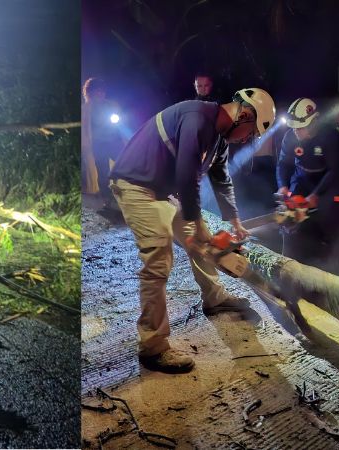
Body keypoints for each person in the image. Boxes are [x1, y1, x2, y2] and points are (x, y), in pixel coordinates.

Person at [109, 88, 276, 374]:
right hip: (136, 185)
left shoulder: (219, 140)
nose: (246, 141)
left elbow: (221, 178)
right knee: (158, 259)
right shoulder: (197, 118)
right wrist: (196, 225)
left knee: (205, 240)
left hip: (162, 190)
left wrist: (234, 220)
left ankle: (215, 298)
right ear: (245, 116)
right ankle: (153, 347)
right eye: (250, 134)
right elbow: (186, 175)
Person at [276, 97, 339, 274]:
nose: (296, 131)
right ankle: (287, 264)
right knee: (289, 215)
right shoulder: (290, 136)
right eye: (293, 127)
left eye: (300, 127)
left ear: (314, 122)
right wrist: (283, 185)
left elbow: (335, 170)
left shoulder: (330, 136)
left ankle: (332, 265)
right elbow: (283, 164)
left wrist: (316, 194)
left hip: (326, 180)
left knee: (332, 214)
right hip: (301, 178)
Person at [81, 77, 106, 195]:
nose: (100, 93)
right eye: (97, 90)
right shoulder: (84, 109)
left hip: (108, 141)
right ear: (90, 92)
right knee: (96, 168)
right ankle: (100, 192)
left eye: (102, 90)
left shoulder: (109, 106)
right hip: (92, 144)